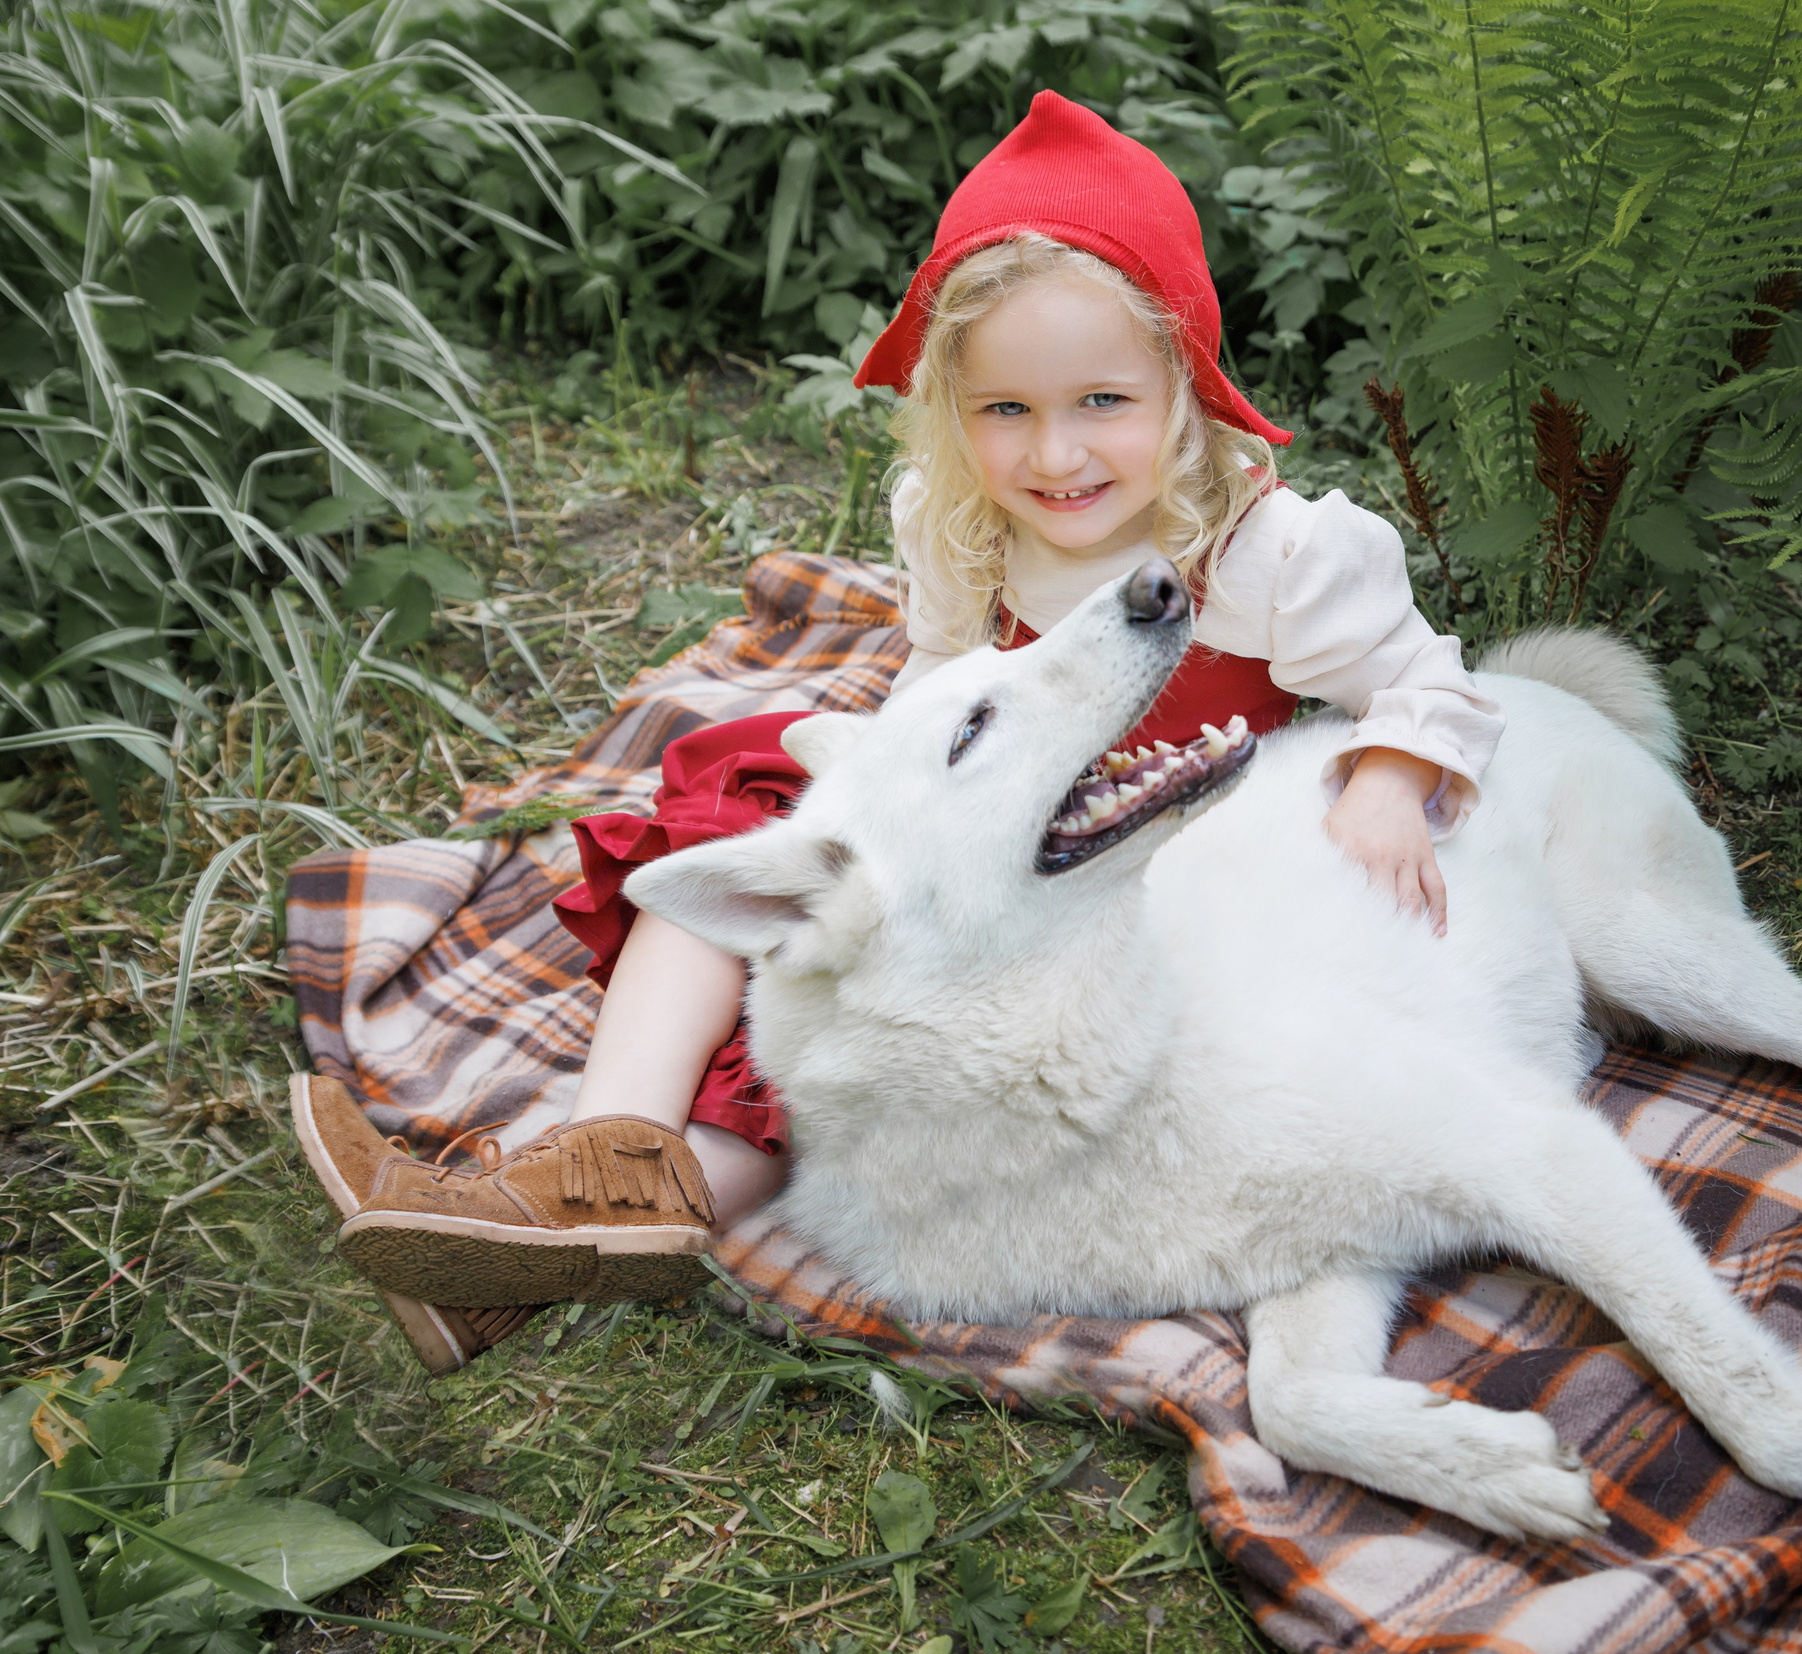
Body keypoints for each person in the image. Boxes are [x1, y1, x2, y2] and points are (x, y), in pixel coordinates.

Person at [292, 91, 1504, 1372]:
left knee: (895, 1021)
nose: (1056, 455)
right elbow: (936, 686)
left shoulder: (1270, 554)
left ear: (1185, 387)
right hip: (982, 839)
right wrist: (865, 787)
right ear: (953, 410)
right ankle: (606, 1161)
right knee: (768, 813)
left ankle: (571, 1230)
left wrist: (1389, 776)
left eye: (1103, 401)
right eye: (1005, 413)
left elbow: (1428, 681)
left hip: (1138, 876)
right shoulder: (957, 522)